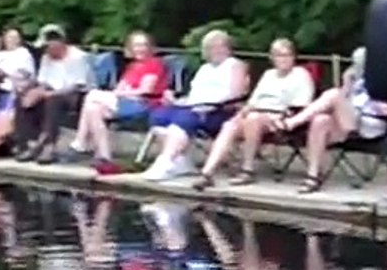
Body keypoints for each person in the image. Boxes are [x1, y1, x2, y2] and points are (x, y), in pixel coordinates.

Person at [274, 46, 387, 193]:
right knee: (320, 120)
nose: (358, 67)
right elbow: (345, 99)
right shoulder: (356, 78)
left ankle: (291, 123)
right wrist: (347, 84)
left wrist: (373, 105)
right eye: (357, 64)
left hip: (370, 123)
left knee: (333, 94)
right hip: (349, 122)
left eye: (361, 64)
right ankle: (313, 175)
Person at [191, 38, 314, 190]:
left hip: (280, 119)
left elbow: (300, 106)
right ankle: (207, 173)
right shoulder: (268, 75)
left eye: (287, 55)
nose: (283, 59)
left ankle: (247, 170)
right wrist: (240, 114)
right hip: (257, 114)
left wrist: (272, 115)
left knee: (253, 119)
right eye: (278, 55)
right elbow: (253, 101)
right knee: (230, 125)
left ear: (293, 57)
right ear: (272, 58)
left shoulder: (300, 75)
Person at [141, 29, 249, 181]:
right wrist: (179, 100)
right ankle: (180, 160)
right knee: (159, 115)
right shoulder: (204, 68)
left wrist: (210, 103)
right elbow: (195, 92)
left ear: (228, 48)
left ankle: (164, 162)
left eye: (221, 46)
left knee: (183, 120)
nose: (216, 50)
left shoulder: (235, 65)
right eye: (212, 47)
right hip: (193, 106)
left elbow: (236, 93)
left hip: (218, 110)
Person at [61, 30, 168, 171]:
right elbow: (119, 89)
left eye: (143, 45)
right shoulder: (132, 67)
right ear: (130, 48)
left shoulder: (154, 64)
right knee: (93, 109)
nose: (140, 49)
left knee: (92, 95)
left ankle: (81, 142)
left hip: (144, 105)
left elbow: (145, 90)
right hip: (126, 103)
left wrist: (123, 93)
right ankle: (105, 158)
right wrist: (122, 93)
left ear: (150, 47)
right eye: (136, 45)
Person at [14, 24, 95, 163]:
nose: (46, 50)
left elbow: (76, 86)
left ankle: (49, 146)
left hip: (76, 96)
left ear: (59, 43)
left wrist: (48, 94)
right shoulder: (47, 58)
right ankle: (28, 143)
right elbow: (43, 81)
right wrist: (36, 92)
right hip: (51, 92)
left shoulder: (78, 57)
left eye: (48, 46)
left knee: (53, 101)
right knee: (24, 100)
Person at [0, 27, 36, 92]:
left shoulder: (24, 54)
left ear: (19, 40)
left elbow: (26, 73)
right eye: (9, 37)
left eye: (14, 38)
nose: (11, 40)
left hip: (14, 87)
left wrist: (5, 73)